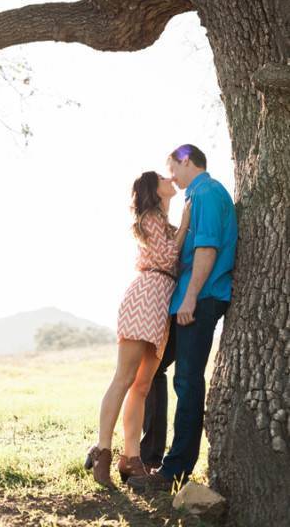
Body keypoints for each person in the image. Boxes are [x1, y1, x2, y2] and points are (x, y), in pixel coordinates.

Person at [130, 144, 237, 492]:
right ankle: (149, 456)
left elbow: (207, 249)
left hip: (200, 299)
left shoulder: (206, 192)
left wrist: (191, 296)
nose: (171, 177)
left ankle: (175, 470)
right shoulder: (195, 197)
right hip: (184, 301)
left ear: (185, 159)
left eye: (171, 168)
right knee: (153, 371)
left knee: (188, 381)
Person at [85, 170, 191, 487]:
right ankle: (103, 450)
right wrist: (186, 223)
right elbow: (169, 255)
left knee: (142, 386)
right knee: (125, 378)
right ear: (152, 188)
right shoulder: (149, 219)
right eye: (162, 177)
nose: (170, 178)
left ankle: (131, 459)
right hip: (144, 297)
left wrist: (182, 225)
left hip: (161, 305)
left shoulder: (166, 224)